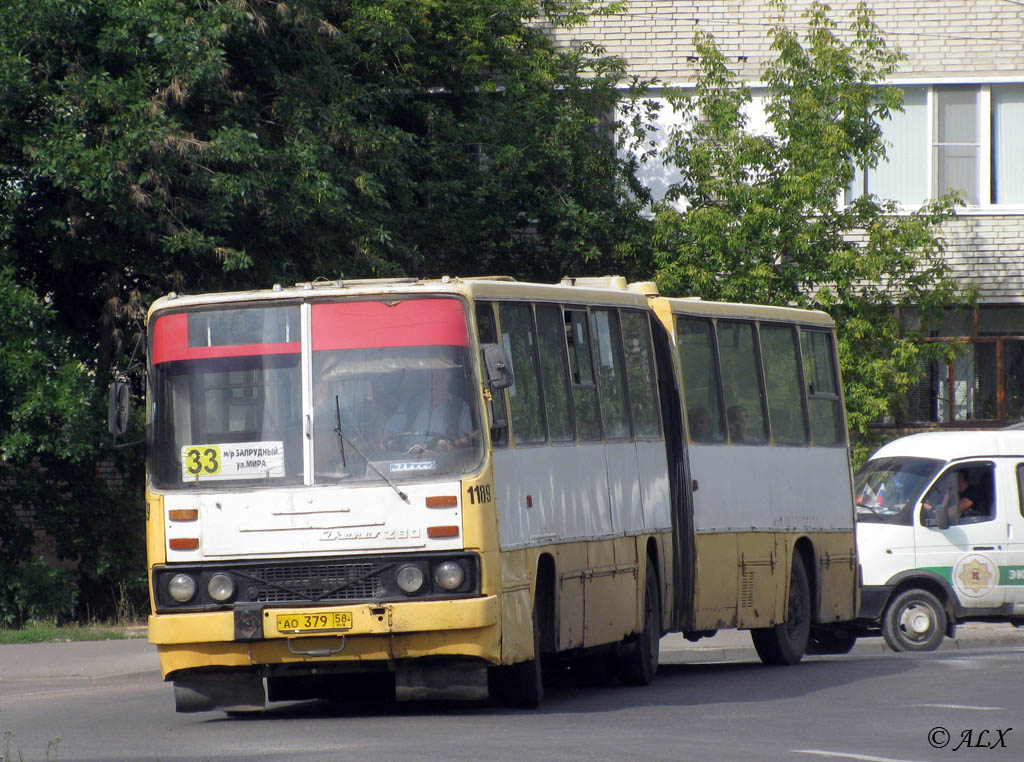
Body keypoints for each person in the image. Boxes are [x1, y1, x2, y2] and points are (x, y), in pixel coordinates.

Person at [382, 370, 473, 453]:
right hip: (408, 461)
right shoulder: (409, 404)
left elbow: (466, 442)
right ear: (425, 377)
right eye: (432, 375)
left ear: (449, 378)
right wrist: (389, 442)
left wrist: (456, 444)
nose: (436, 380)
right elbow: (389, 435)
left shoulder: (460, 407)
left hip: (447, 463)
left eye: (442, 375)